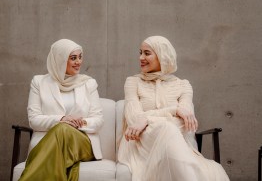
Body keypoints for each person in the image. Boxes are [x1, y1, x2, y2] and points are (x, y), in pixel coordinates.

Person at [118, 36, 229, 181]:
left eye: (147, 53)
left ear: (162, 56)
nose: (141, 57)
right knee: (167, 128)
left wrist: (146, 118)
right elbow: (134, 120)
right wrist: (173, 111)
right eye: (140, 53)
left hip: (175, 145)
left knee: (169, 129)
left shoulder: (184, 85)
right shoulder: (132, 82)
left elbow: (184, 123)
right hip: (141, 143)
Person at [19, 39, 104, 181]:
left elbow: (98, 120)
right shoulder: (39, 82)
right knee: (62, 128)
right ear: (59, 59)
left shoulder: (89, 83)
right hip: (52, 142)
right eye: (73, 58)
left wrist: (78, 122)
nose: (78, 62)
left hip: (82, 142)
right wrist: (61, 119)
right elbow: (34, 120)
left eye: (80, 57)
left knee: (63, 129)